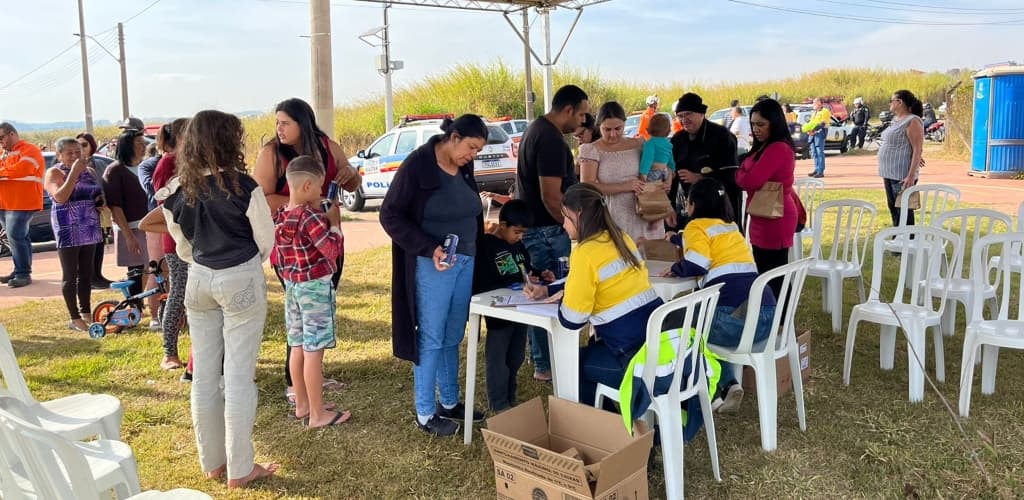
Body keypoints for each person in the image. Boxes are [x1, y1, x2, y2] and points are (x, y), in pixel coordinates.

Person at [149, 109, 278, 488]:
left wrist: (205, 261)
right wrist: (242, 265)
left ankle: (213, 463)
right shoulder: (245, 186)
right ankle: (241, 468)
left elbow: (182, 245)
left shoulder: (175, 191)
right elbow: (264, 242)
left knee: (205, 376)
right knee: (238, 376)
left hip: (199, 278)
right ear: (228, 141)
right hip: (238, 274)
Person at [380, 114, 488, 437]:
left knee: (454, 333)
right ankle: (425, 412)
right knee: (431, 336)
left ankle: (450, 402)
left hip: (465, 259)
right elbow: (390, 215)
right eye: (471, 147)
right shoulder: (417, 166)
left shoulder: (463, 165)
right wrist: (429, 248)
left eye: (478, 151)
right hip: (433, 264)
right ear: (453, 138)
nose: (473, 156)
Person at [253, 97, 360, 405]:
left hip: (325, 244)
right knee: (301, 314)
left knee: (317, 311)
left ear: (304, 123)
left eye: (285, 123)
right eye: (277, 123)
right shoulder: (272, 152)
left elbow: (352, 183)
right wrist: (304, 206)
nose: (279, 129)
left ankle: (313, 378)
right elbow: (261, 197)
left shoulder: (327, 146)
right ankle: (296, 384)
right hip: (293, 245)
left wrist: (349, 175)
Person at [523, 183, 663, 407]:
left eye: (566, 217)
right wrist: (549, 289)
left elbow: (573, 320)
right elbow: (593, 278)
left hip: (633, 358)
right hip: (659, 347)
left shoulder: (584, 252)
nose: (564, 224)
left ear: (579, 215)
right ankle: (611, 423)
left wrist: (562, 299)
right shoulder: (620, 238)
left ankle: (606, 427)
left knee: (573, 365)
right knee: (590, 351)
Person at [660, 178, 776, 414]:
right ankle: (727, 383)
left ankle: (711, 387)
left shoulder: (696, 227)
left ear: (692, 204)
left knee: (674, 323)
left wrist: (676, 268)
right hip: (765, 319)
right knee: (699, 321)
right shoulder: (730, 227)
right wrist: (675, 238)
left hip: (734, 323)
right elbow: (705, 244)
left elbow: (698, 262)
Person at [515, 84, 589, 382]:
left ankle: (542, 360)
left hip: (537, 228)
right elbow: (551, 195)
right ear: (568, 110)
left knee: (539, 293)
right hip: (547, 229)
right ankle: (548, 363)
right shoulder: (551, 140)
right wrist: (570, 224)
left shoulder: (536, 129)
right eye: (582, 114)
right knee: (554, 292)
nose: (583, 121)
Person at [272, 156, 351, 428]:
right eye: (318, 187)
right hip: (315, 288)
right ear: (307, 185)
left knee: (297, 346)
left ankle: (303, 404)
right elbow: (331, 250)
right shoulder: (311, 218)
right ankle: (318, 414)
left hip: (293, 288)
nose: (320, 193)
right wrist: (334, 225)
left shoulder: (281, 214)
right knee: (314, 351)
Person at [473, 199, 553, 412]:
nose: (520, 237)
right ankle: (498, 402)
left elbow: (525, 269)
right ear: (503, 224)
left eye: (523, 234)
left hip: (522, 309)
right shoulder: (487, 246)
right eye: (517, 232)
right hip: (499, 313)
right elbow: (483, 282)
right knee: (497, 359)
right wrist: (511, 286)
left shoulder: (518, 245)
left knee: (516, 355)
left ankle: (510, 395)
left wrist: (538, 274)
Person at [735, 99, 798, 299]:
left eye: (761, 124)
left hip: (776, 216)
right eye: (753, 124)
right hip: (762, 213)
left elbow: (751, 180)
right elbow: (750, 175)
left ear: (775, 123)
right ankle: (773, 317)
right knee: (765, 271)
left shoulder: (778, 148)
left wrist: (742, 169)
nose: (756, 129)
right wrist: (745, 169)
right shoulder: (764, 146)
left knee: (775, 274)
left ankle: (782, 321)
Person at [580, 101, 667, 243]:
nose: (613, 134)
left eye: (618, 128)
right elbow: (587, 186)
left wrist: (664, 182)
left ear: (624, 124)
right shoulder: (591, 150)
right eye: (607, 130)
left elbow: (659, 168)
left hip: (646, 212)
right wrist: (625, 186)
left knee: (651, 260)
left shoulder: (639, 144)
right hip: (614, 217)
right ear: (599, 126)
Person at [44, 138, 104, 331]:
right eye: (69, 152)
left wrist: (100, 201)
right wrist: (74, 174)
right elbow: (60, 197)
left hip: (89, 224)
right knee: (70, 273)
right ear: (59, 155)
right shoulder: (54, 172)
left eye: (78, 151)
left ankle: (86, 311)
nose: (75, 156)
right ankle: (74, 316)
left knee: (87, 272)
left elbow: (94, 193)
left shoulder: (90, 171)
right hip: (68, 227)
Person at [150, 118, 190, 371]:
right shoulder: (168, 163)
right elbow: (164, 204)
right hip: (176, 239)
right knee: (179, 293)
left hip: (198, 239)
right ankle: (169, 353)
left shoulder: (193, 161)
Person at [103, 130, 157, 316]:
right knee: (135, 268)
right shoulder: (115, 170)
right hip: (130, 227)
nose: (143, 146)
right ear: (128, 146)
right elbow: (115, 206)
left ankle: (142, 302)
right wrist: (128, 235)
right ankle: (135, 307)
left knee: (148, 267)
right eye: (139, 143)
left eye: (143, 143)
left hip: (148, 225)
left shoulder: (144, 167)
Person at [670, 93, 741, 232]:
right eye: (681, 116)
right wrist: (669, 207)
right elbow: (671, 179)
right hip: (689, 208)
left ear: (702, 113)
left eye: (688, 114)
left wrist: (700, 178)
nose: (684, 119)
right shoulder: (677, 140)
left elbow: (732, 176)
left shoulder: (722, 136)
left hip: (721, 208)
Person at [0, 122, 45, 288]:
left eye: (1, 137)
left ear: (12, 134)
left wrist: (4, 171)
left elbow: (21, 170)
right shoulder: (4, 153)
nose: (0, 141)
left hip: (23, 202)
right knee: (17, 238)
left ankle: (23, 273)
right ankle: (20, 269)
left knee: (16, 236)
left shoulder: (29, 149)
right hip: (5, 203)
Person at [138, 125, 170, 331]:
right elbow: (153, 189)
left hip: (177, 220)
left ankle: (172, 312)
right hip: (158, 220)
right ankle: (156, 316)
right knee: (157, 269)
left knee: (173, 271)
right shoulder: (151, 164)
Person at [878, 89, 925, 228]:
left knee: (903, 209)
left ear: (899, 102)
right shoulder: (897, 120)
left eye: (891, 101)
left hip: (902, 174)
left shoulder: (913, 121)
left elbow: (917, 148)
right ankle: (897, 238)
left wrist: (910, 176)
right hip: (889, 172)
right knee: (893, 207)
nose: (890, 104)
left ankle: (907, 241)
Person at [76, 132, 115, 289]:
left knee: (99, 243)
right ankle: (89, 278)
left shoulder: (98, 163)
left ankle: (97, 275)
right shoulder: (74, 166)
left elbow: (106, 184)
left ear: (92, 146)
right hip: (82, 212)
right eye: (78, 145)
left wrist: (104, 201)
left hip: (99, 209)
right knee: (87, 246)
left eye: (84, 145)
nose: (81, 149)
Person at [802, 97, 831, 178]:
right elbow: (811, 122)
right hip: (812, 134)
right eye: (813, 102)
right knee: (814, 153)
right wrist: (808, 130)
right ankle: (816, 169)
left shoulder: (825, 111)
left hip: (820, 134)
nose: (813, 104)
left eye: (815, 102)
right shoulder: (814, 112)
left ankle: (820, 171)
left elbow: (822, 124)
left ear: (820, 103)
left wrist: (813, 131)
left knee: (819, 152)